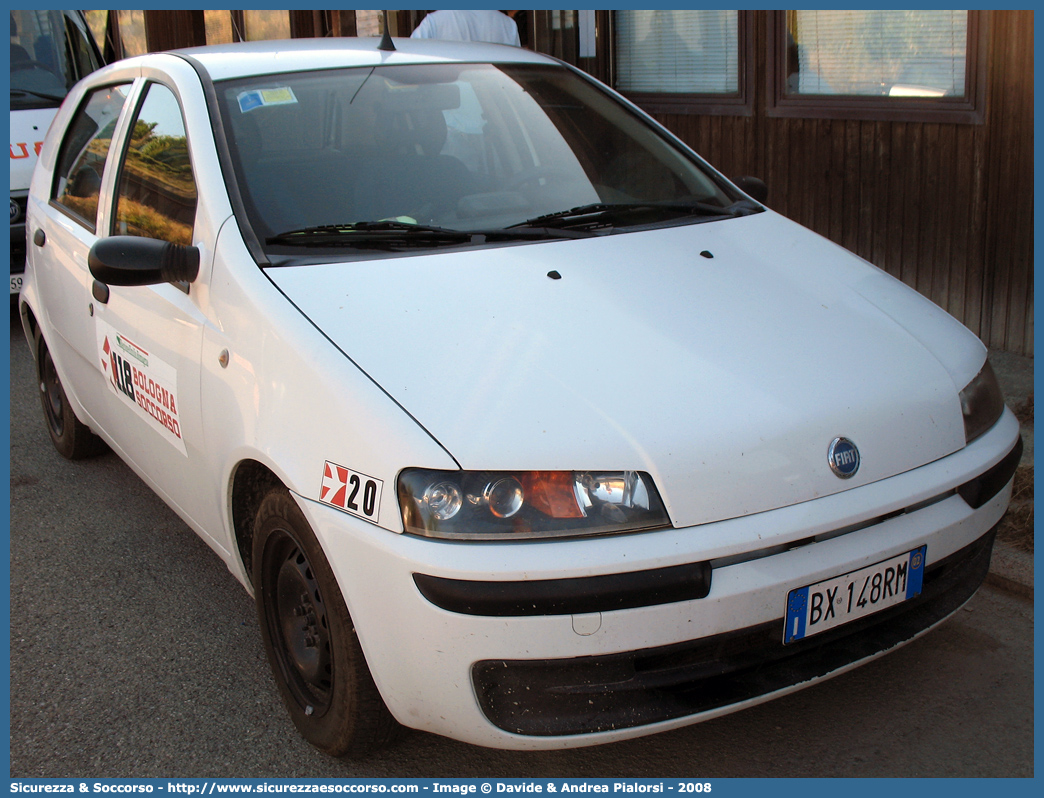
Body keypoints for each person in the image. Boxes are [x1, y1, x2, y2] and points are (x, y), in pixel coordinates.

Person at [411, 10, 520, 46]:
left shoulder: (434, 23)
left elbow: (410, 66)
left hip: (445, 98)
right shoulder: (508, 25)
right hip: (495, 98)